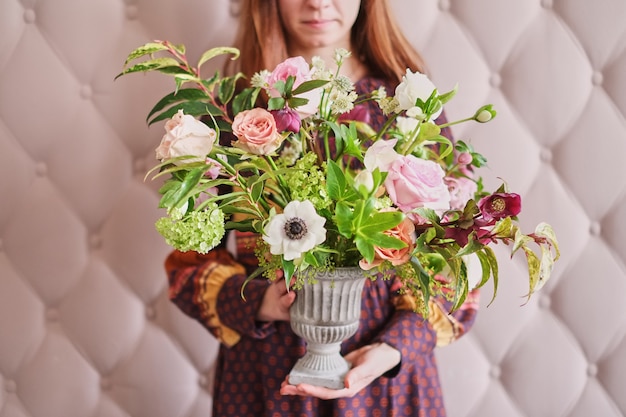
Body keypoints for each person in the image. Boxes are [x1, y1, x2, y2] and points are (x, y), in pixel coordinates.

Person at [165, 0, 480, 415]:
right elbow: (186, 263)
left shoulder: (408, 106)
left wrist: (394, 348)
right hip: (266, 378)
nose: (317, 1)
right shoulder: (236, 111)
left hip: (386, 382)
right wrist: (261, 304)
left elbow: (454, 257)